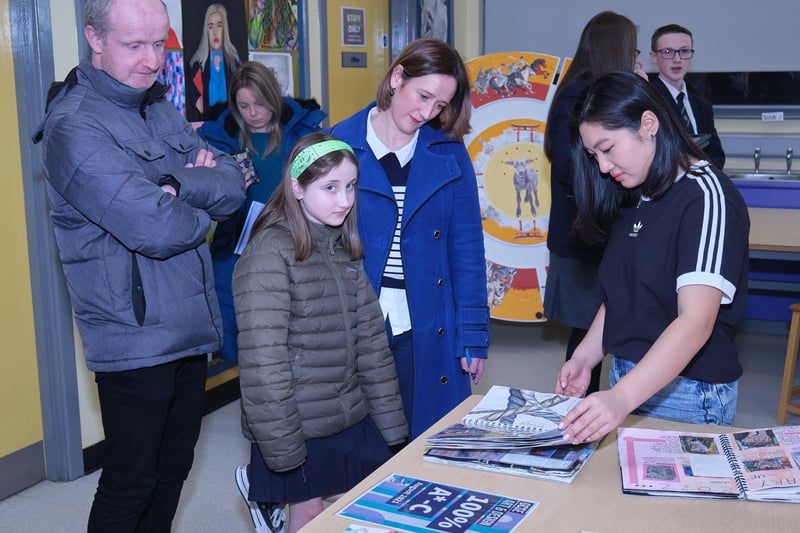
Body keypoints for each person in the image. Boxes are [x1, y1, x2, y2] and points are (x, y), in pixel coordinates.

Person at [32, 0, 246, 531]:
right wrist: (197, 202)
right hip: (134, 339)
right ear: (94, 39)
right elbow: (157, 228)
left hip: (190, 328)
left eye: (160, 44)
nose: (152, 61)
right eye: (135, 45)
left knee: (173, 470)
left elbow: (233, 183)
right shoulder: (73, 126)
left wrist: (178, 187)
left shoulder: (158, 106)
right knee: (131, 482)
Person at [555, 71, 750, 444]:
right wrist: (584, 358)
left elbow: (695, 322)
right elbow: (623, 292)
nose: (603, 167)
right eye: (593, 155)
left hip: (687, 394)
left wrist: (620, 398)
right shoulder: (636, 190)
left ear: (648, 124)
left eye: (607, 149)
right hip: (629, 380)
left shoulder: (706, 196)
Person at [232, 132, 408, 533]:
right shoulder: (269, 253)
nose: (344, 200)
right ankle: (273, 507)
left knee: (362, 509)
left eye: (349, 186)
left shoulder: (344, 248)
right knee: (310, 516)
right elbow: (264, 360)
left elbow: (372, 349)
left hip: (348, 414)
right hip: (297, 423)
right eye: (330, 188)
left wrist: (393, 429)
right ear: (297, 187)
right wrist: (283, 449)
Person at [329, 38, 490, 439]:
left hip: (428, 319)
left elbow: (467, 250)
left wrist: (473, 334)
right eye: (423, 96)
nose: (426, 112)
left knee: (427, 441)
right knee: (355, 443)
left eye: (440, 105)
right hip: (356, 316)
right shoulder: (338, 144)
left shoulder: (449, 155)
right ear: (397, 77)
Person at [543, 11, 646, 396]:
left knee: (595, 331)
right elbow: (572, 166)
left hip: (596, 233)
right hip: (586, 236)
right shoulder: (578, 94)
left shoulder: (589, 90)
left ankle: (584, 406)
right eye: (633, 49)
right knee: (591, 333)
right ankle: (578, 409)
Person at [198, 61, 325, 364]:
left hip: (293, 243)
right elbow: (204, 199)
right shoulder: (217, 138)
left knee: (290, 334)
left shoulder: (302, 131)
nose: (252, 113)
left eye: (260, 104)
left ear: (274, 99)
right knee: (242, 335)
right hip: (235, 249)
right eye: (243, 106)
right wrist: (224, 187)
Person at [649, 24, 726, 170]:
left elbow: (717, 155)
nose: (677, 59)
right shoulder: (649, 100)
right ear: (654, 57)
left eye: (684, 51)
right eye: (667, 52)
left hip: (701, 185)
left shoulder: (702, 104)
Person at [188, 3, 242, 121]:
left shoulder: (234, 64)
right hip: (207, 122)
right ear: (206, 31)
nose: (215, 32)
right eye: (210, 26)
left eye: (219, 25)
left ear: (225, 30)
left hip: (231, 123)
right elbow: (196, 96)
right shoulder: (197, 64)